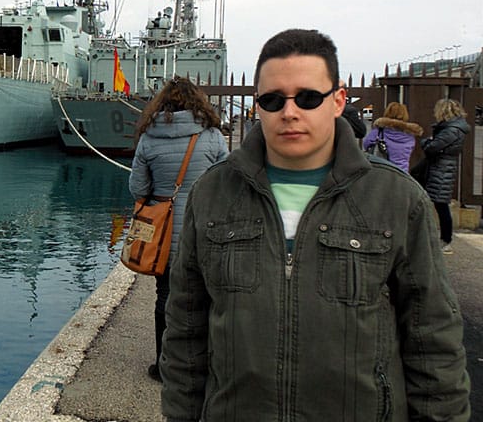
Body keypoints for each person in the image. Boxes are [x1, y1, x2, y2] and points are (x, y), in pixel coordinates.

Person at [160, 29, 470, 421]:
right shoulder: (212, 193)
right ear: (258, 106)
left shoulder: (397, 198)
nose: (289, 112)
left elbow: (433, 340)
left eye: (308, 97)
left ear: (338, 101)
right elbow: (186, 329)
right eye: (273, 100)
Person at [129, 76, 228, 382]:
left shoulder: (148, 138)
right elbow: (227, 185)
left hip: (165, 235)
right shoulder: (213, 136)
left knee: (165, 297)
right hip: (205, 232)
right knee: (205, 298)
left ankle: (164, 366)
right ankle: (203, 365)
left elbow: (137, 189)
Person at [421, 98, 470, 255]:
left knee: (440, 204)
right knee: (439, 204)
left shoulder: (451, 130)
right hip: (443, 167)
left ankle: (446, 240)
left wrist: (425, 142)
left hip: (441, 169)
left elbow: (432, 147)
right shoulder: (454, 128)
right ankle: (443, 239)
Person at [363, 101, 423, 171]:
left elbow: (366, 144)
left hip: (383, 170)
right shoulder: (410, 136)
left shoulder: (379, 131)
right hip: (402, 172)